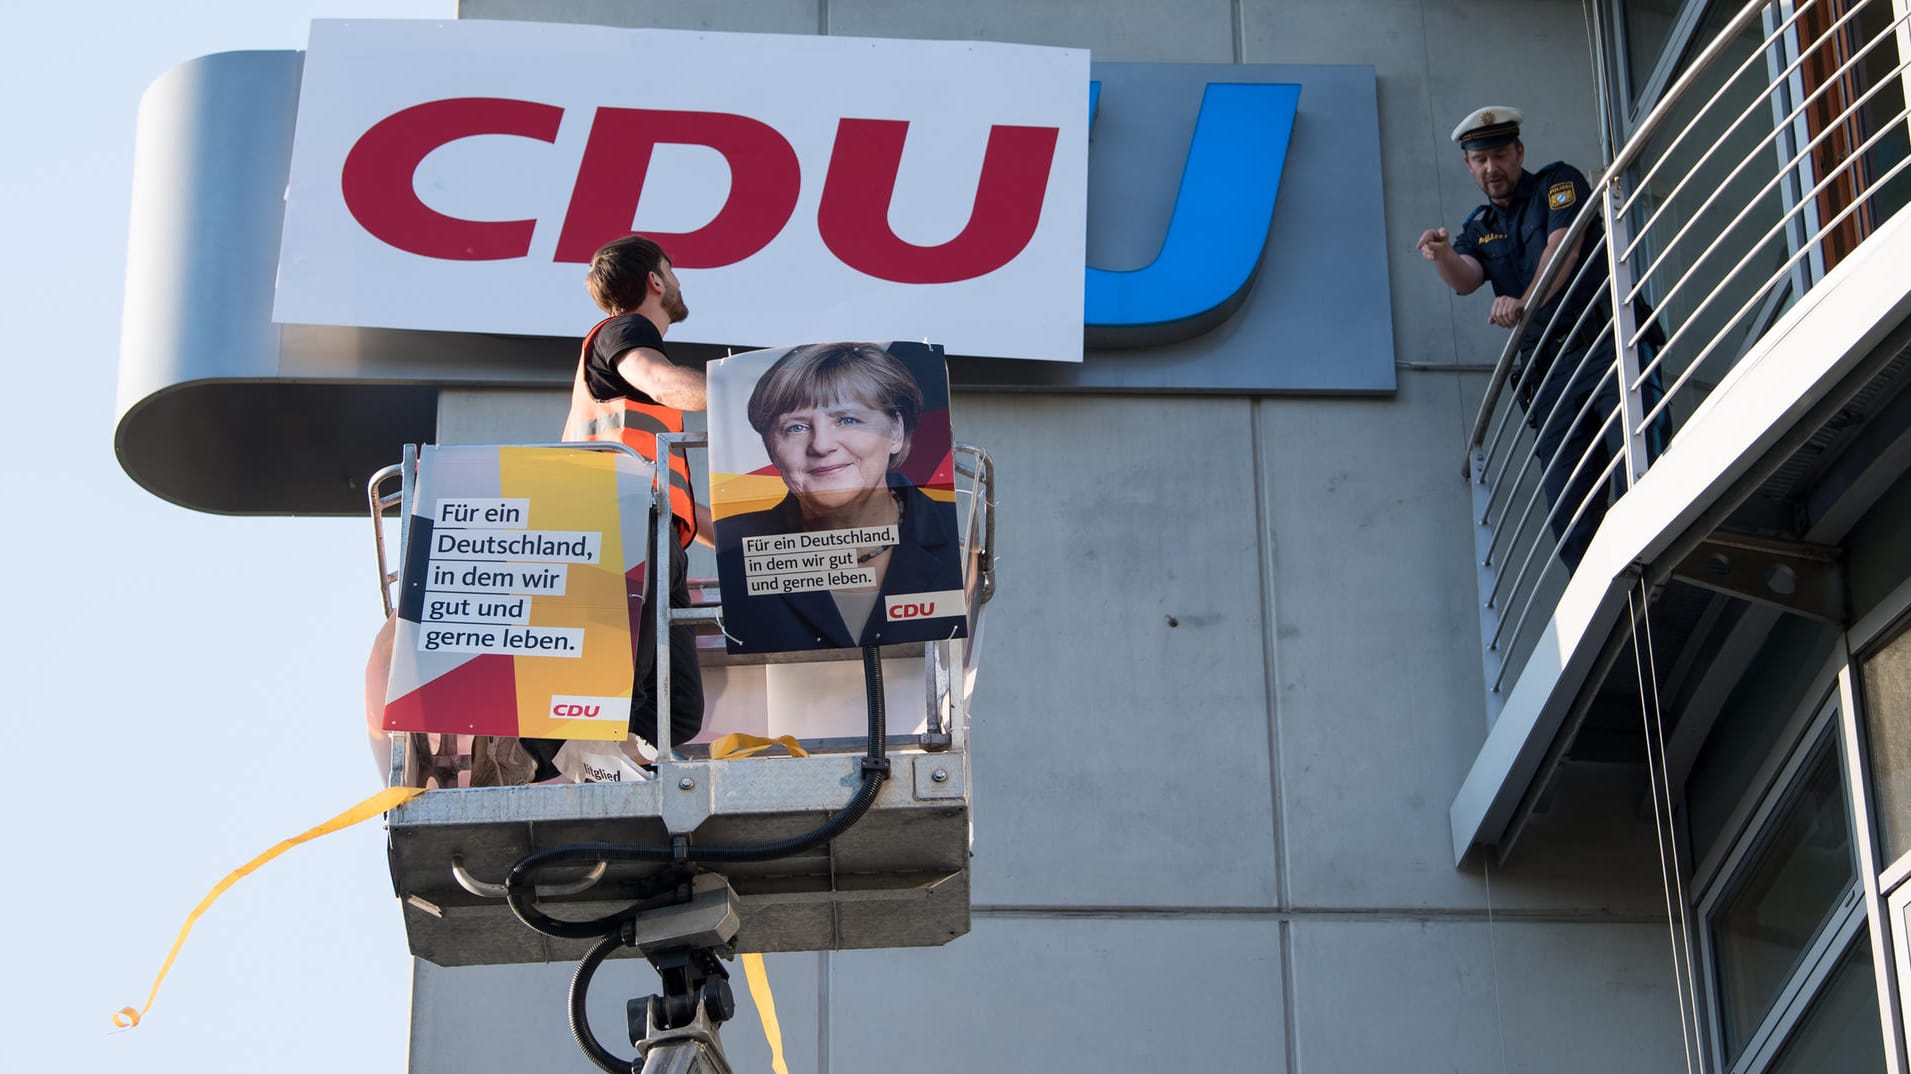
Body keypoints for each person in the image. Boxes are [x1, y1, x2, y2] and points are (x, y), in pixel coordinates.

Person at [1416, 106, 1628, 570]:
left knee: (1638, 460)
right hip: (1548, 372)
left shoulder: (1557, 183)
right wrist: (1442, 253)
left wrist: (1523, 303)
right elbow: (1466, 279)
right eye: (1480, 160)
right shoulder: (1481, 225)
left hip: (1601, 345)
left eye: (1499, 155)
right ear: (1469, 166)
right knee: (1570, 508)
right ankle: (1606, 607)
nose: (1492, 168)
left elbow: (1564, 247)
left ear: (1519, 152)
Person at [531, 233, 711, 771]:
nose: (678, 282)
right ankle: (585, 763)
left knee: (677, 712)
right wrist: (759, 396)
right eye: (672, 271)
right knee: (627, 687)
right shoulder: (623, 332)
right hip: (621, 524)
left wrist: (763, 543)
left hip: (651, 530)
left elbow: (685, 507)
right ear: (655, 280)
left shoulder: (623, 384)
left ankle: (610, 763)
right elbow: (661, 381)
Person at [715, 343, 964, 653]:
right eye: (796, 427)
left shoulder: (959, 543)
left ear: (895, 431)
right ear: (770, 447)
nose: (821, 445)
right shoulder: (735, 549)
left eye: (847, 420)